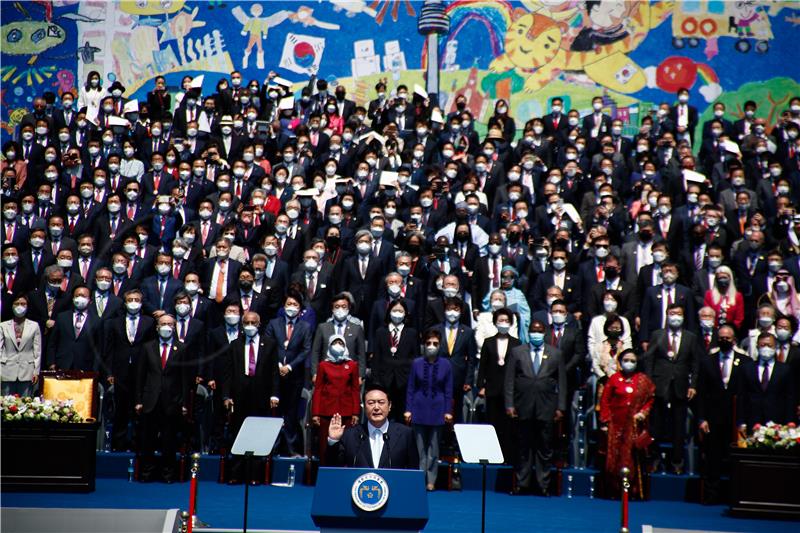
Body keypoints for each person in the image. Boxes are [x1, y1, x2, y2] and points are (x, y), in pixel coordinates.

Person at [505, 319, 566, 496]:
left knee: (544, 448)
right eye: (533, 330)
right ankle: (522, 483)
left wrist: (560, 407)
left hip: (546, 407)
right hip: (522, 405)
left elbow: (562, 381)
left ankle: (543, 485)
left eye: (539, 331)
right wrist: (509, 404)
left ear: (544, 333)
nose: (536, 333)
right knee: (523, 447)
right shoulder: (517, 352)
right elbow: (509, 380)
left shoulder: (556, 353)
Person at [643, 304, 701, 474]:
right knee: (656, 425)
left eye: (679, 314)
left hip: (681, 385)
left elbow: (695, 363)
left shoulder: (690, 337)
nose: (675, 316)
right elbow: (649, 360)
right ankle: (654, 459)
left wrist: (693, 385)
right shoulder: (657, 335)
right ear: (667, 315)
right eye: (672, 313)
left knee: (679, 426)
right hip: (659, 384)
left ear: (683, 317)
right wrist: (648, 383)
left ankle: (677, 461)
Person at [221, 311, 279, 483]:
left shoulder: (269, 344)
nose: (250, 325)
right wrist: (226, 395)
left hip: (261, 394)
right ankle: (236, 474)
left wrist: (275, 394)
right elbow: (228, 373)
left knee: (257, 435)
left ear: (259, 323)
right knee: (238, 433)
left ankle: (254, 476)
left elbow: (274, 372)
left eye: (253, 322)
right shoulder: (235, 345)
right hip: (240, 394)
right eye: (246, 322)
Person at [696, 325, 751, 505]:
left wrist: (743, 420)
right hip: (713, 418)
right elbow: (701, 392)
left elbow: (746, 393)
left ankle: (735, 496)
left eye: (728, 338)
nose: (724, 340)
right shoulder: (707, 361)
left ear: (734, 339)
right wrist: (702, 418)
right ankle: (712, 495)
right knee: (713, 458)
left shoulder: (744, 362)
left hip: (735, 419)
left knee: (736, 458)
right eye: (721, 337)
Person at [135, 315, 193, 483]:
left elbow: (185, 379)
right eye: (163, 324)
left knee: (169, 441)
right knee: (148, 440)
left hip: (172, 401)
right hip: (150, 400)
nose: (166, 327)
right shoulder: (147, 347)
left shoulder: (181, 348)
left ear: (174, 327)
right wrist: (138, 400)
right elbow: (140, 376)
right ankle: (147, 473)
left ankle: (168, 474)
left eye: (169, 324)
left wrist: (183, 403)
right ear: (157, 327)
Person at [598, 349, 655, 500]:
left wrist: (643, 413)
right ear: (621, 362)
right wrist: (605, 421)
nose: (629, 363)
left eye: (632, 360)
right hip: (615, 425)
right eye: (626, 360)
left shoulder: (643, 380)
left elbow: (651, 398)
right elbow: (605, 401)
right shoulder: (614, 379)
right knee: (614, 458)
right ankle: (614, 490)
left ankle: (632, 491)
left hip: (634, 425)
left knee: (631, 457)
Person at [326, 384, 419, 469]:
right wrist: (333, 441)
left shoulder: (405, 434)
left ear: (389, 405)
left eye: (381, 402)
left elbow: (414, 470)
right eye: (371, 403)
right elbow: (333, 469)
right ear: (364, 407)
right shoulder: (350, 435)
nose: (376, 407)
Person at [405, 329, 453, 490]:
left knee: (433, 448)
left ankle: (431, 480)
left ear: (440, 346)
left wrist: (448, 411)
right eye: (428, 343)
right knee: (419, 448)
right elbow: (411, 387)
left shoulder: (446, 364)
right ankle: (419, 478)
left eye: (435, 343)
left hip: (438, 409)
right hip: (418, 408)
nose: (431, 346)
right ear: (424, 345)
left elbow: (448, 390)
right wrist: (408, 409)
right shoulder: (416, 363)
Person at [477, 308, 521, 462]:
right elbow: (482, 366)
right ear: (495, 322)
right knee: (493, 422)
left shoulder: (517, 343)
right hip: (492, 388)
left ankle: (508, 455)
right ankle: (492, 455)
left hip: (510, 390)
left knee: (508, 425)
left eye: (506, 321)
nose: (503, 323)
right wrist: (481, 386)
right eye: (500, 320)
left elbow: (518, 368)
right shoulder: (488, 342)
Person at [312, 335, 360, 463]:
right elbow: (318, 389)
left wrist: (356, 412)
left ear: (345, 346)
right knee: (324, 444)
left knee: (347, 444)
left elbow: (355, 389)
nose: (338, 345)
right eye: (335, 342)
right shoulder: (323, 365)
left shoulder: (352, 365)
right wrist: (315, 413)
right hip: (326, 411)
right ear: (330, 345)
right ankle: (324, 472)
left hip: (347, 411)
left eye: (341, 343)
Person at [0, 295, 41, 396]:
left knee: (25, 404)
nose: (20, 306)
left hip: (27, 370)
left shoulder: (34, 326)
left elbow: (37, 350)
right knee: (6, 404)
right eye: (17, 304)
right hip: (7, 370)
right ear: (12, 306)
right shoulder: (3, 326)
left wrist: (36, 371)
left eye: (23, 304)